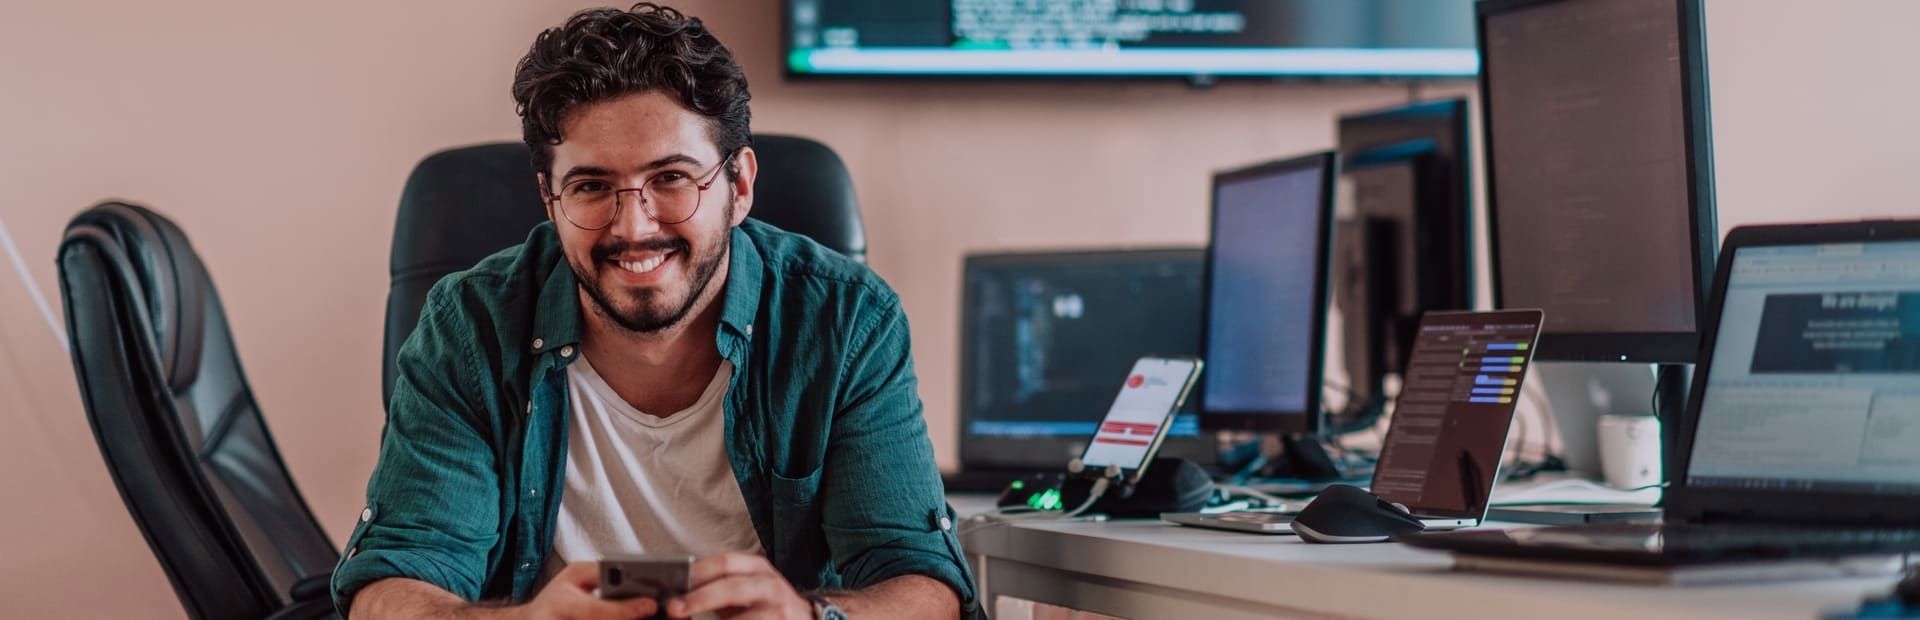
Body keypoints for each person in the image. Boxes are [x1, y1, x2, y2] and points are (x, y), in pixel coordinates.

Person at [330, 4, 977, 618]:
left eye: (671, 178)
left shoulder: (844, 319)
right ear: (550, 200)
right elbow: (393, 585)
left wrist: (808, 615)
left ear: (740, 185)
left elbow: (923, 586)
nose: (633, 226)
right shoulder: (469, 325)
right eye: (591, 186)